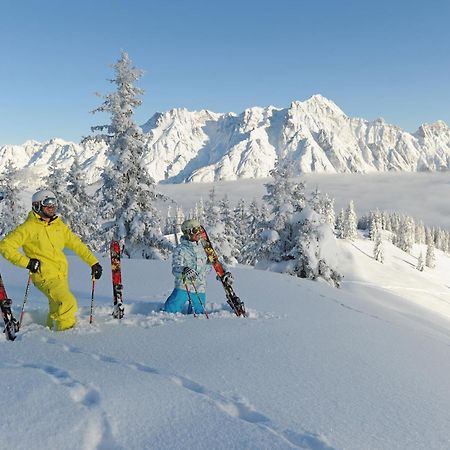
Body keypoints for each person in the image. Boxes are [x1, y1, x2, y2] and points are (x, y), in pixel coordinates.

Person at [0, 189, 102, 331]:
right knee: (68, 302)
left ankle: (50, 334)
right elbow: (5, 246)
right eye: (47, 204)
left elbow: (76, 244)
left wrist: (93, 262)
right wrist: (27, 263)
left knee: (56, 307)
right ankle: (67, 335)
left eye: (54, 203)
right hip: (44, 276)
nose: (52, 207)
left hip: (61, 275)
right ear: (37, 206)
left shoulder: (58, 226)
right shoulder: (28, 228)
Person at [164, 219, 232, 315]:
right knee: (169, 311)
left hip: (199, 288)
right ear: (188, 232)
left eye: (199, 230)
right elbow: (175, 269)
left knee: (199, 315)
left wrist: (226, 272)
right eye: (195, 231)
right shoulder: (181, 250)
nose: (199, 233)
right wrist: (184, 269)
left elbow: (217, 261)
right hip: (183, 287)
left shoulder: (205, 249)